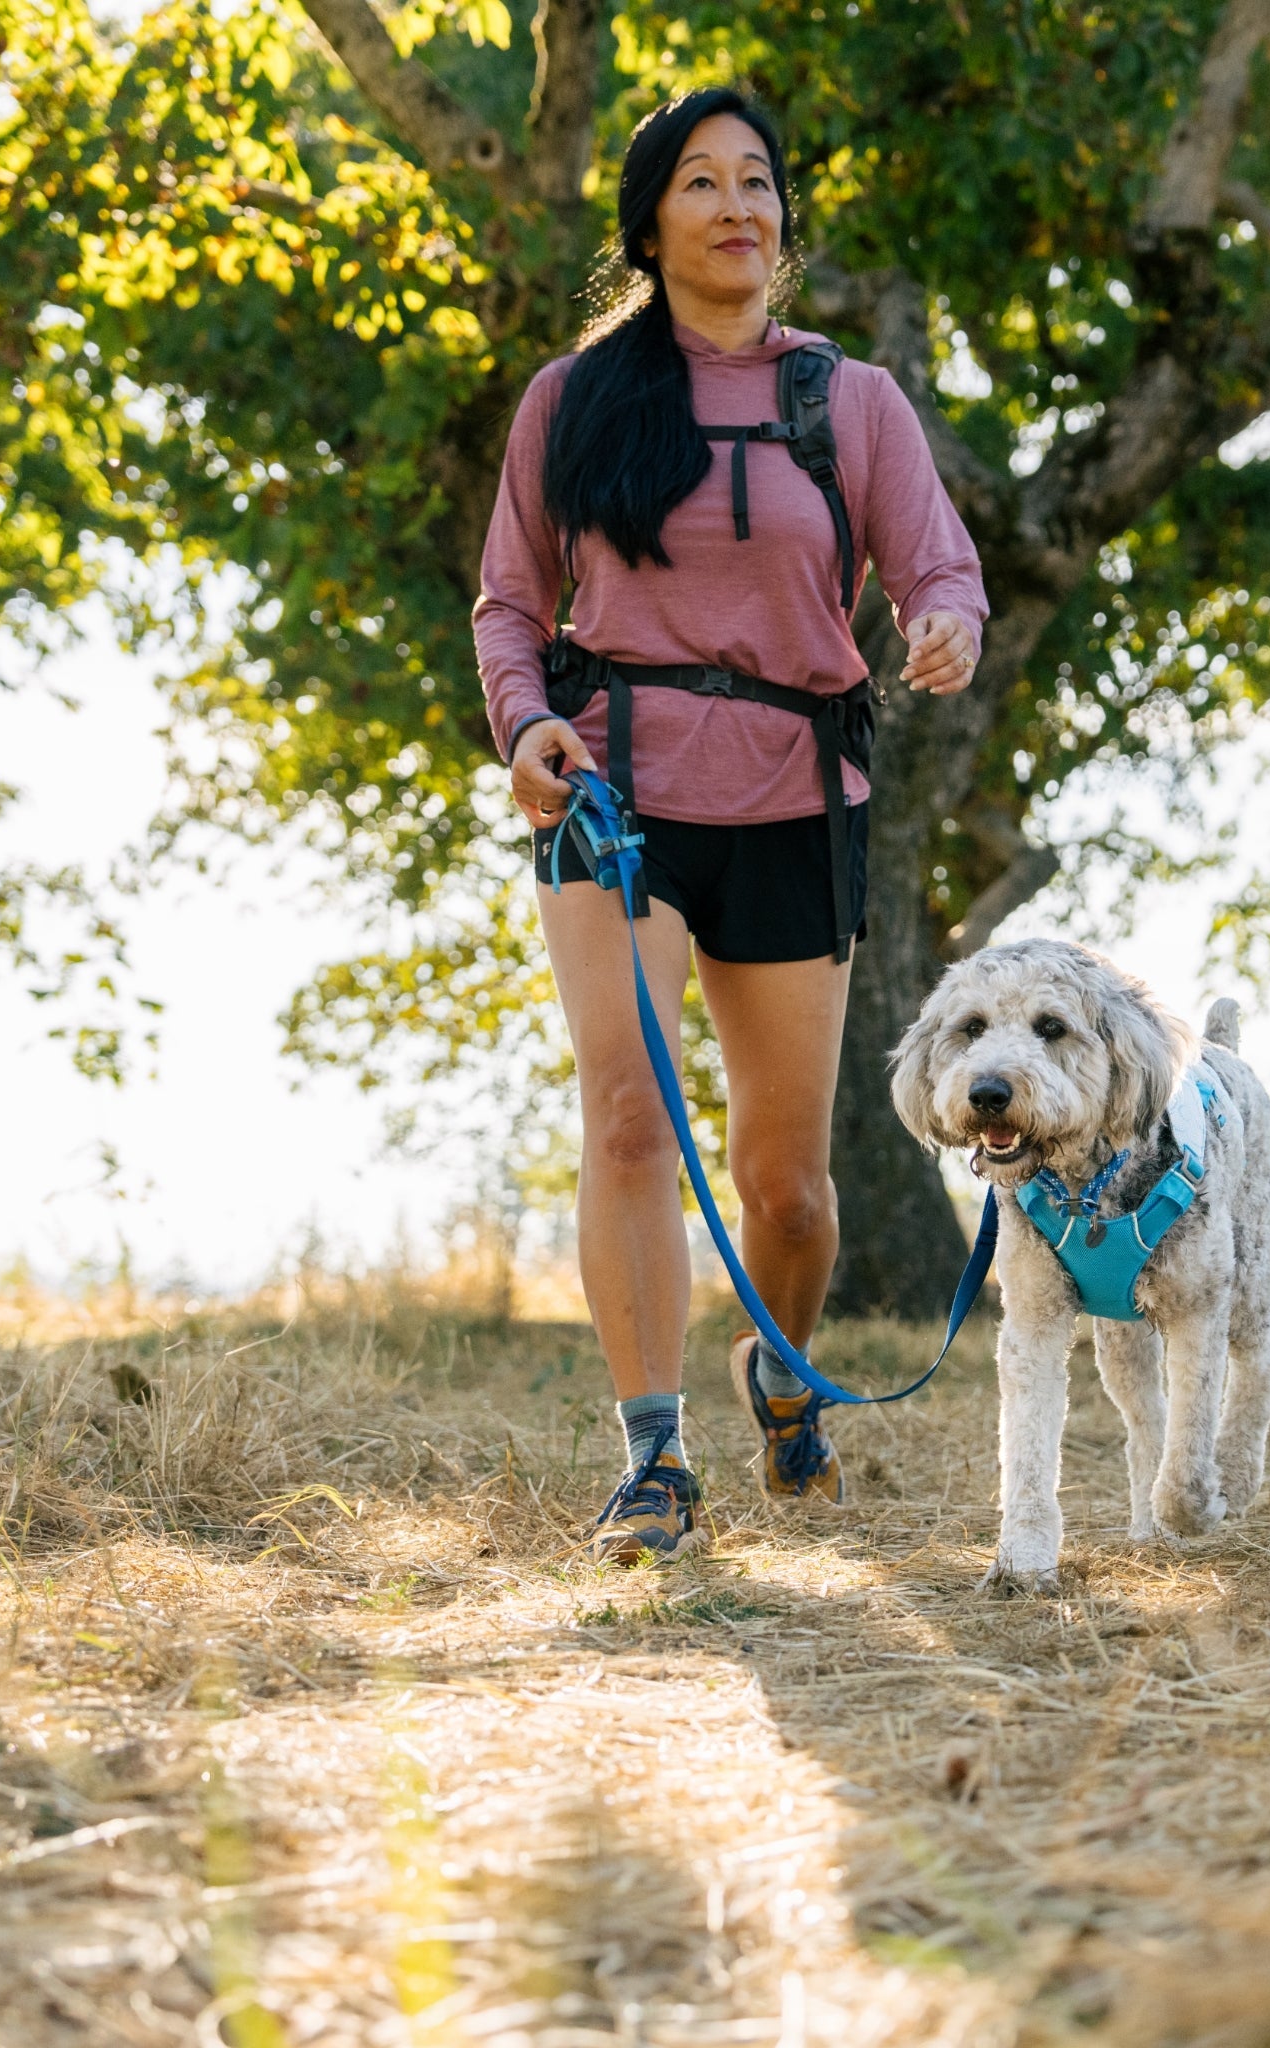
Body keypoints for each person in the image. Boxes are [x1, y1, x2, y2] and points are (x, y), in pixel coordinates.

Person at [473, 86, 987, 1564]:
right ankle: (653, 1460)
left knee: (791, 1189)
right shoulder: (573, 402)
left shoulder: (852, 400)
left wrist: (943, 625)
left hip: (796, 800)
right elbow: (513, 603)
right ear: (650, 225)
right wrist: (529, 729)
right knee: (628, 1119)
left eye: (757, 182)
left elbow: (936, 568)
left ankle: (778, 1372)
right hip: (614, 796)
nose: (736, 207)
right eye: (701, 183)